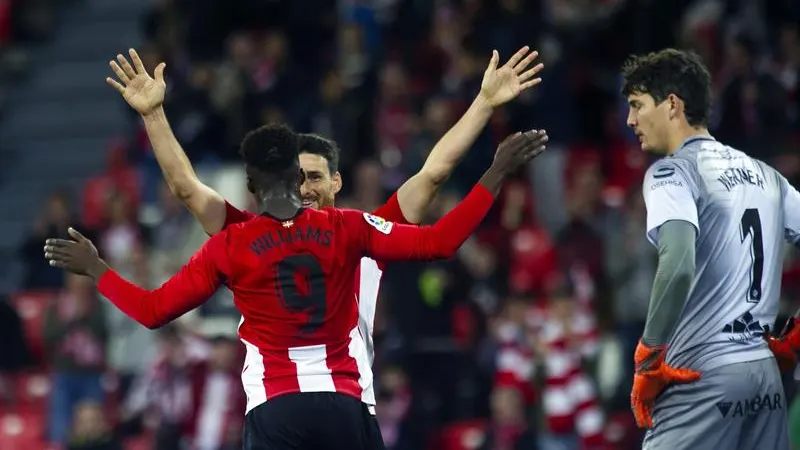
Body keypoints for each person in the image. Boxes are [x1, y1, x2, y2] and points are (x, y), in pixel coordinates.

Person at [44, 123, 548, 450]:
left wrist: (97, 269)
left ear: (250, 184)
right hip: (346, 405)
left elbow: (154, 310)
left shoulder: (231, 243)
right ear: (295, 176)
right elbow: (439, 240)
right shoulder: (349, 227)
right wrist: (496, 171)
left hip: (276, 408)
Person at [105, 46, 543, 419]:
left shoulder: (364, 230)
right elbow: (186, 187)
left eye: (315, 177)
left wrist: (484, 102)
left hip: (348, 405)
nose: (304, 187)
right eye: (297, 177)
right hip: (299, 409)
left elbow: (434, 172)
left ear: (337, 182)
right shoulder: (250, 234)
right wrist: (154, 115)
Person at [622, 48, 796, 449]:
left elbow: (679, 264)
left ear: (671, 105)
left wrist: (648, 356)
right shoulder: (765, 174)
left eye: (636, 105)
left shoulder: (672, 171)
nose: (630, 120)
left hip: (701, 374)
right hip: (764, 377)